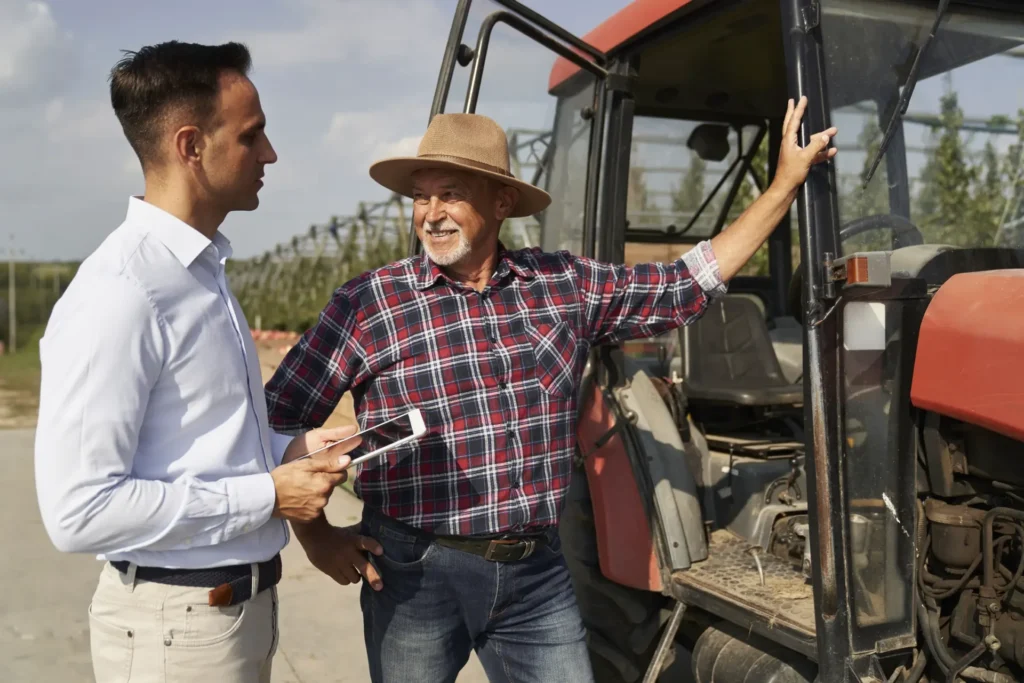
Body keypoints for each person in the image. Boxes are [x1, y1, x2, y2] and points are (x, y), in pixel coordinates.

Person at [263, 97, 837, 682]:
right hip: (415, 575)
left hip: (535, 576)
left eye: (451, 193)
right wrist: (314, 535)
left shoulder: (560, 284)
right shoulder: (371, 303)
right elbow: (277, 419)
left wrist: (786, 183)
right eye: (421, 197)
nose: (431, 214)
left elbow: (684, 283)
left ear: (502, 201)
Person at [34, 41, 361, 683]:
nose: (269, 154)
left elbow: (197, 442)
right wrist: (267, 494)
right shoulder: (124, 292)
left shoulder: (198, 274)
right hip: (176, 631)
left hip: (226, 617)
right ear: (191, 146)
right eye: (252, 135)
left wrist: (289, 450)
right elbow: (79, 510)